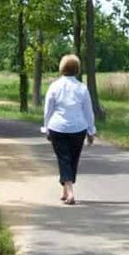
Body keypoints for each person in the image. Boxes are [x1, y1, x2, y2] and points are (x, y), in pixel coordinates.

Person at [42, 54, 96, 205]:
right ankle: (68, 189)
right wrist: (91, 131)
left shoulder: (54, 86)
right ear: (77, 69)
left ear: (61, 68)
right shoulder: (82, 88)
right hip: (78, 128)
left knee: (64, 159)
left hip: (57, 127)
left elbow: (48, 110)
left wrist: (46, 128)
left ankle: (68, 191)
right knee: (72, 159)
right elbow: (88, 111)